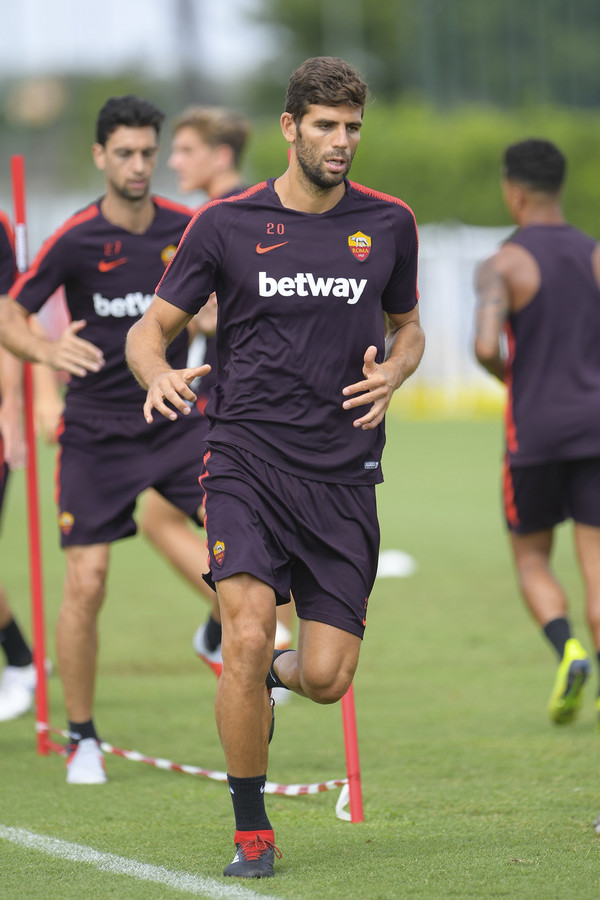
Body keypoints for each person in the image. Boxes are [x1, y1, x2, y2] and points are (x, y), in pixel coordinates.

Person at [126, 57, 424, 878]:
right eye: (325, 125)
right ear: (291, 128)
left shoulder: (389, 222)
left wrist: (396, 372)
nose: (341, 140)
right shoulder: (226, 223)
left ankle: (269, 682)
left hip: (344, 476)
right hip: (244, 460)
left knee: (325, 677)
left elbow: (408, 326)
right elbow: (149, 330)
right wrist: (156, 374)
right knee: (248, 633)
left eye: (352, 126)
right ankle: (251, 831)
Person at [0, 95, 213, 783]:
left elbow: (230, 301)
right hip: (96, 433)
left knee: (255, 550)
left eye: (148, 152)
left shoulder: (188, 228)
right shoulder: (76, 238)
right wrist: (44, 351)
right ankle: (83, 738)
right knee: (86, 583)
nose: (138, 165)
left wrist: (217, 312)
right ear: (100, 156)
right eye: (125, 153)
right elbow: (9, 312)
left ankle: (217, 634)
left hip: (177, 419)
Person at [140, 105, 294, 676]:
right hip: (226, 402)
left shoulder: (226, 216)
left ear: (221, 155)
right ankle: (224, 628)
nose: (174, 161)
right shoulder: (242, 210)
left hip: (228, 406)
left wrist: (210, 316)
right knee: (168, 516)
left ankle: (254, 628)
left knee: (215, 524)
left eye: (186, 150)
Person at [474, 138, 600, 728]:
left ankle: (567, 648)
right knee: (595, 561)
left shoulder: (503, 264)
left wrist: (513, 378)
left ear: (513, 192)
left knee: (531, 559)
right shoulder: (595, 254)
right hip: (596, 429)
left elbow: (484, 346)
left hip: (535, 434)